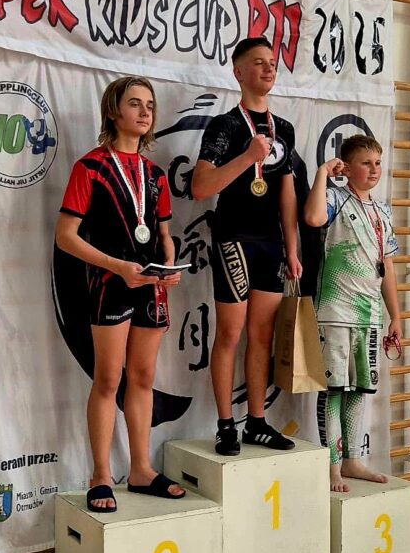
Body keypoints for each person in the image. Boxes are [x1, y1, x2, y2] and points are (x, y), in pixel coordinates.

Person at [55, 76, 185, 512]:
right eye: (135, 103)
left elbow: (163, 236)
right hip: (110, 285)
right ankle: (100, 475)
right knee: (109, 379)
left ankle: (141, 469)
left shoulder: (155, 175)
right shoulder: (90, 168)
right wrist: (116, 267)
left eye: (150, 105)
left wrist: (168, 267)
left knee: (143, 378)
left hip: (151, 288)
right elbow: (65, 237)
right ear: (113, 111)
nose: (145, 112)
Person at [192, 37, 302, 456]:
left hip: (271, 243)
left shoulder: (284, 129)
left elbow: (287, 192)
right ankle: (225, 425)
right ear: (238, 72)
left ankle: (256, 421)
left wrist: (292, 248)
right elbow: (200, 187)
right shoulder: (225, 126)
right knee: (230, 333)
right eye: (258, 62)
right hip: (233, 237)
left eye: (272, 62)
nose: (268, 68)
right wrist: (247, 157)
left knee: (262, 335)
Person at [304, 135, 402, 492]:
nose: (374, 170)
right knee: (334, 389)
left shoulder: (383, 211)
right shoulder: (334, 198)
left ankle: (352, 460)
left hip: (369, 313)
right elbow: (312, 217)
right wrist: (322, 174)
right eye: (365, 163)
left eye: (378, 163)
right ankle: (332, 464)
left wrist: (395, 315)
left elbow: (387, 266)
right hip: (335, 309)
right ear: (346, 167)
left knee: (360, 389)